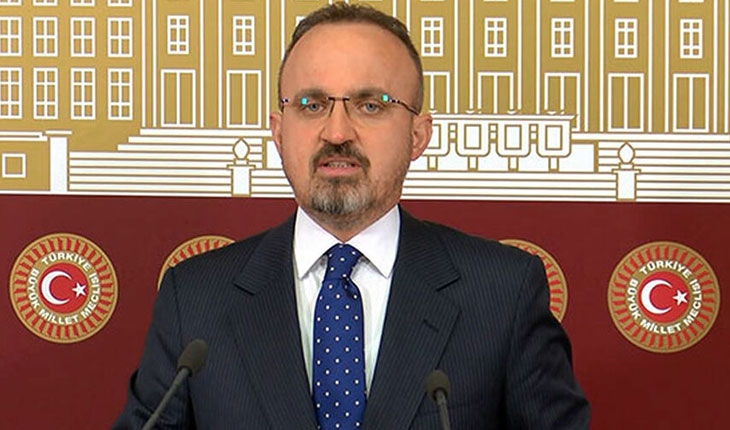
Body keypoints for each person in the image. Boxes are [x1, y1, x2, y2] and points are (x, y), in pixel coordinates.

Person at [114, 3, 590, 429]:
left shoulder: (502, 294)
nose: (337, 132)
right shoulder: (194, 299)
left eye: (370, 105)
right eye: (311, 105)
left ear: (418, 136)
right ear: (279, 133)